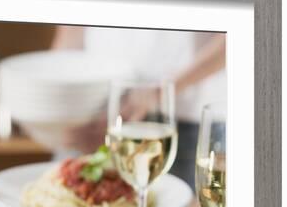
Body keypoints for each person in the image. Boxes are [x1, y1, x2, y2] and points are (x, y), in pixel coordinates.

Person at [51, 26, 226, 189]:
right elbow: (70, 32)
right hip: (89, 119)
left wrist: (162, 91)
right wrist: (56, 104)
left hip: (185, 122)